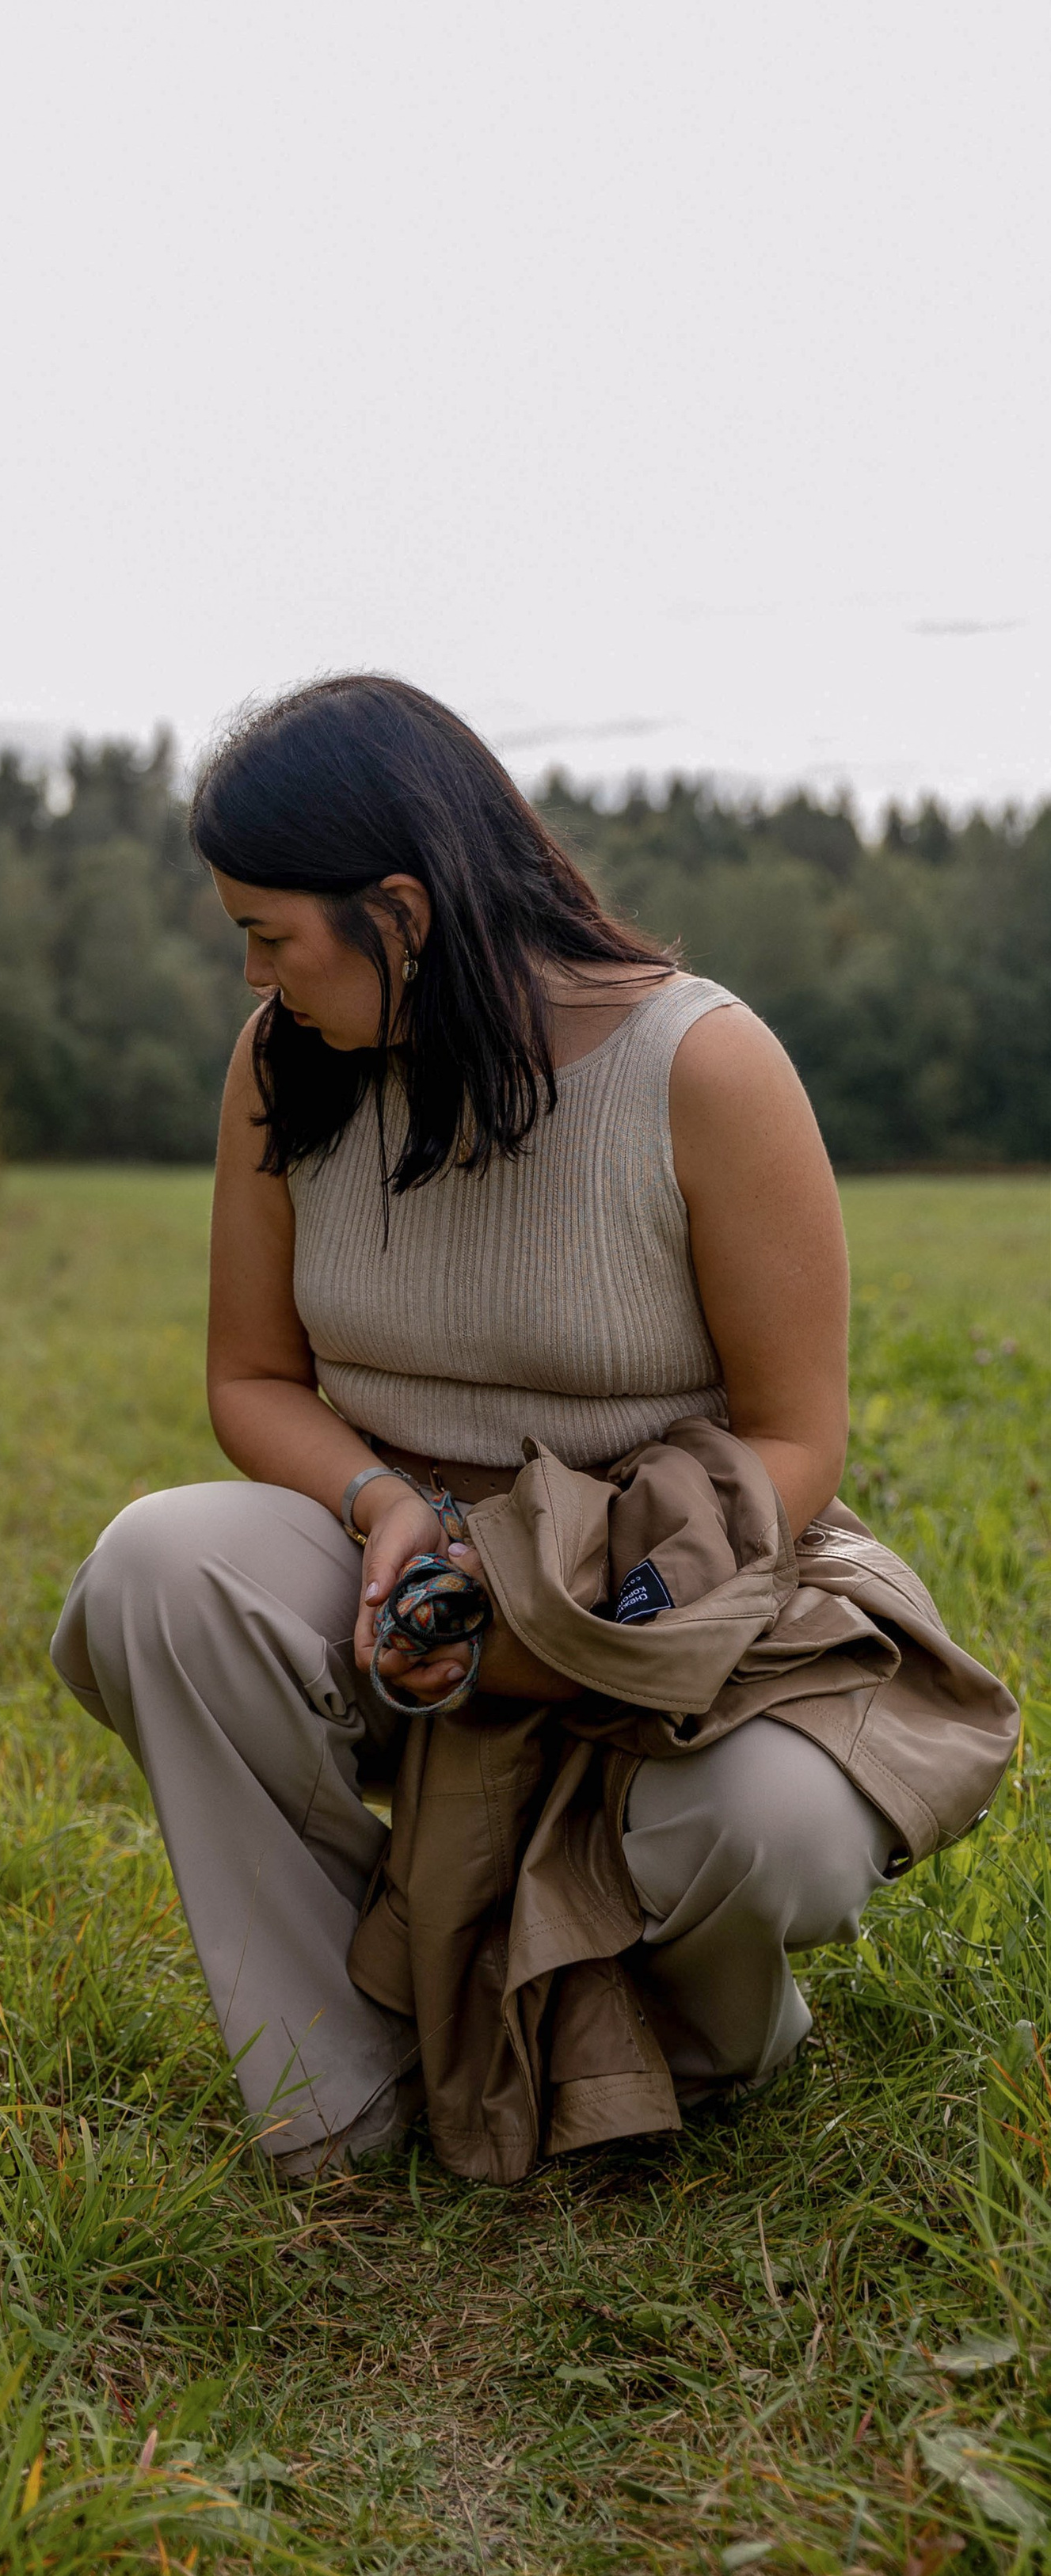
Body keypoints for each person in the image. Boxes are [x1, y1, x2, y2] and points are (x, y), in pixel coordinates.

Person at [52, 675, 1016, 2184]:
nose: (252, 968)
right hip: (405, 1570)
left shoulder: (703, 1065)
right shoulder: (279, 1061)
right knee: (158, 1569)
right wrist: (385, 1512)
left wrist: (549, 1606)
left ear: (401, 910)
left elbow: (793, 1438)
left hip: (672, 1579)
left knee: (777, 1829)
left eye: (269, 930)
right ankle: (347, 2088)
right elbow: (252, 1378)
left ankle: (704, 2037)